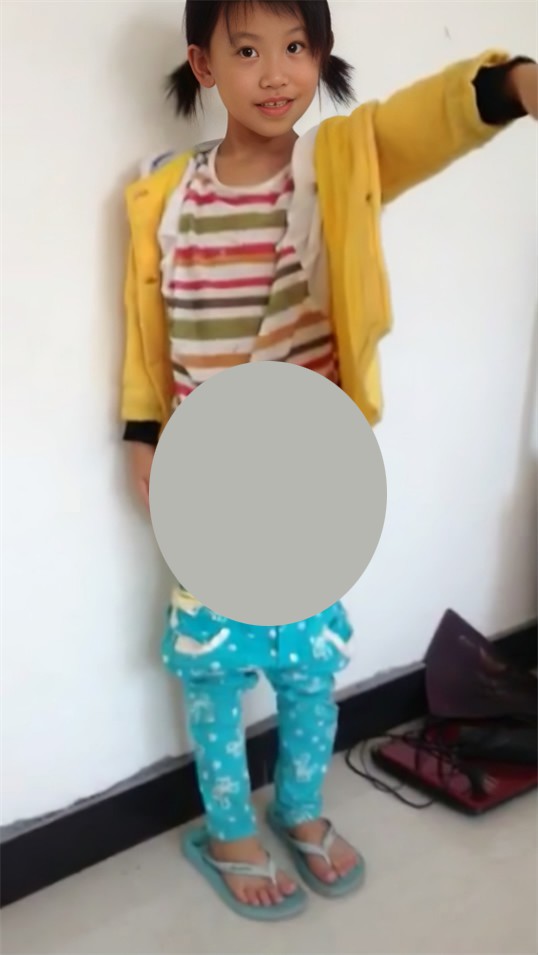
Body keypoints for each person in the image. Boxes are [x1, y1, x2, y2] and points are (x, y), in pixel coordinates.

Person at [121, 0, 537, 921]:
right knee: (214, 669)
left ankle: (301, 808)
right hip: (206, 481)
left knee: (310, 665)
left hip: (311, 479)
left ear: (322, 55)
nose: (276, 72)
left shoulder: (340, 161)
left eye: (297, 47)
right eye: (247, 50)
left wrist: (513, 85)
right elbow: (147, 328)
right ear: (204, 64)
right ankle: (227, 826)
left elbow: (425, 121)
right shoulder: (163, 193)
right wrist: (141, 430)